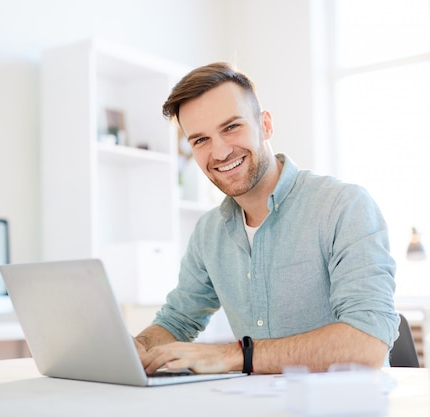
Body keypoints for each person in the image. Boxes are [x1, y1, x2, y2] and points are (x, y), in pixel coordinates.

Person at [135, 62, 399, 375]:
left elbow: (367, 342)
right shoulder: (209, 232)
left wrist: (235, 356)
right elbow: (177, 321)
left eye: (231, 127)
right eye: (200, 140)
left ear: (266, 125)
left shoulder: (343, 205)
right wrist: (135, 347)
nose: (219, 152)